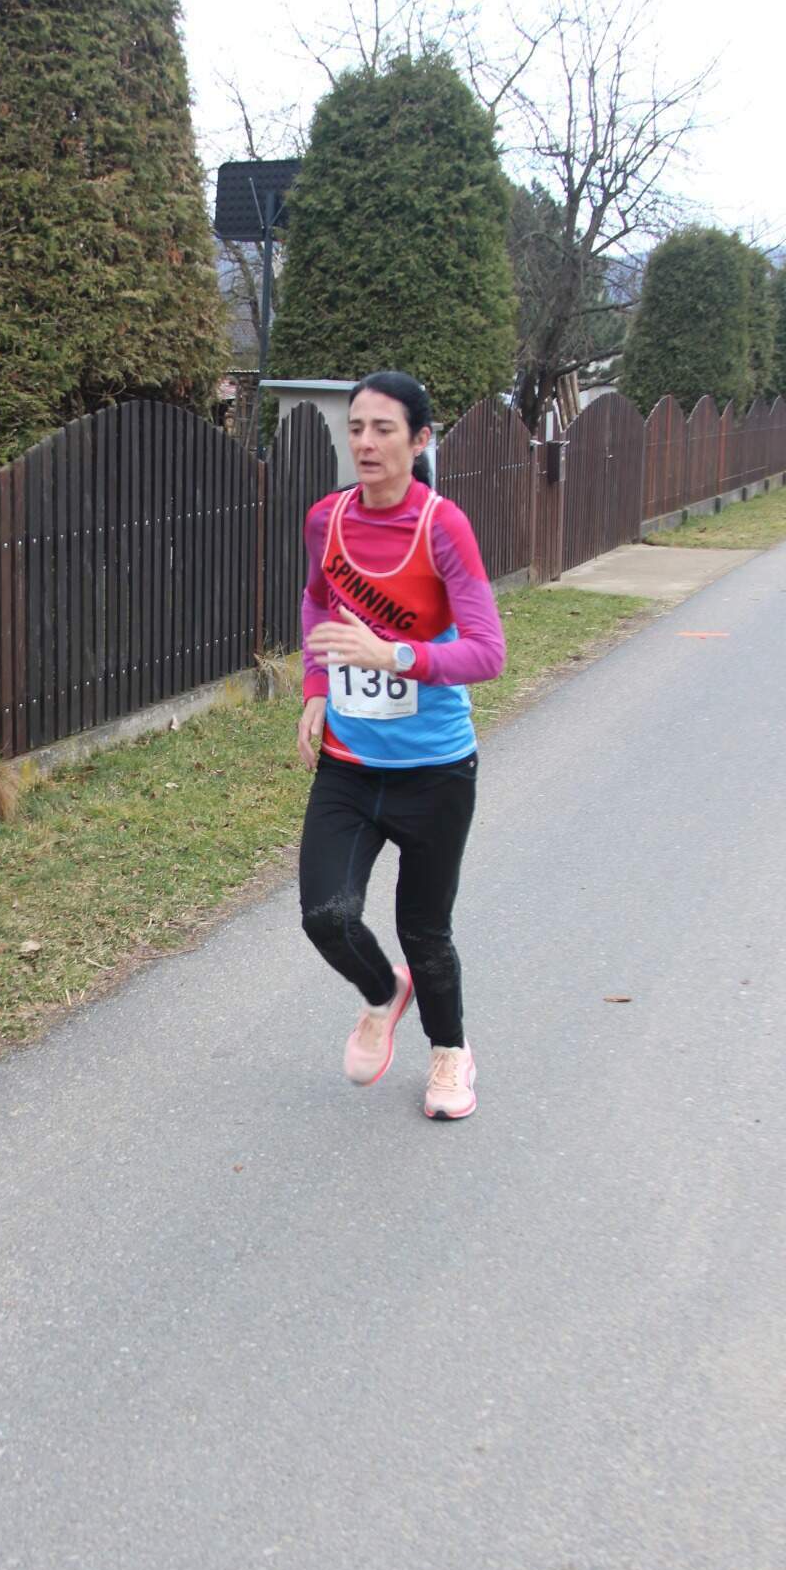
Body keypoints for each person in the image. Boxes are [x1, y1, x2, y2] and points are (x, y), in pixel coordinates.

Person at [296, 371, 506, 1120]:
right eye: (355, 426)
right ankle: (383, 994)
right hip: (349, 767)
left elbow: (487, 653)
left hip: (435, 771)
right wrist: (316, 687)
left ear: (419, 441)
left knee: (424, 928)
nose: (365, 442)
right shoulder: (326, 519)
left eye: (383, 428)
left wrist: (395, 656)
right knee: (325, 915)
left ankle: (450, 1054)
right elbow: (316, 604)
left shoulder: (441, 526)